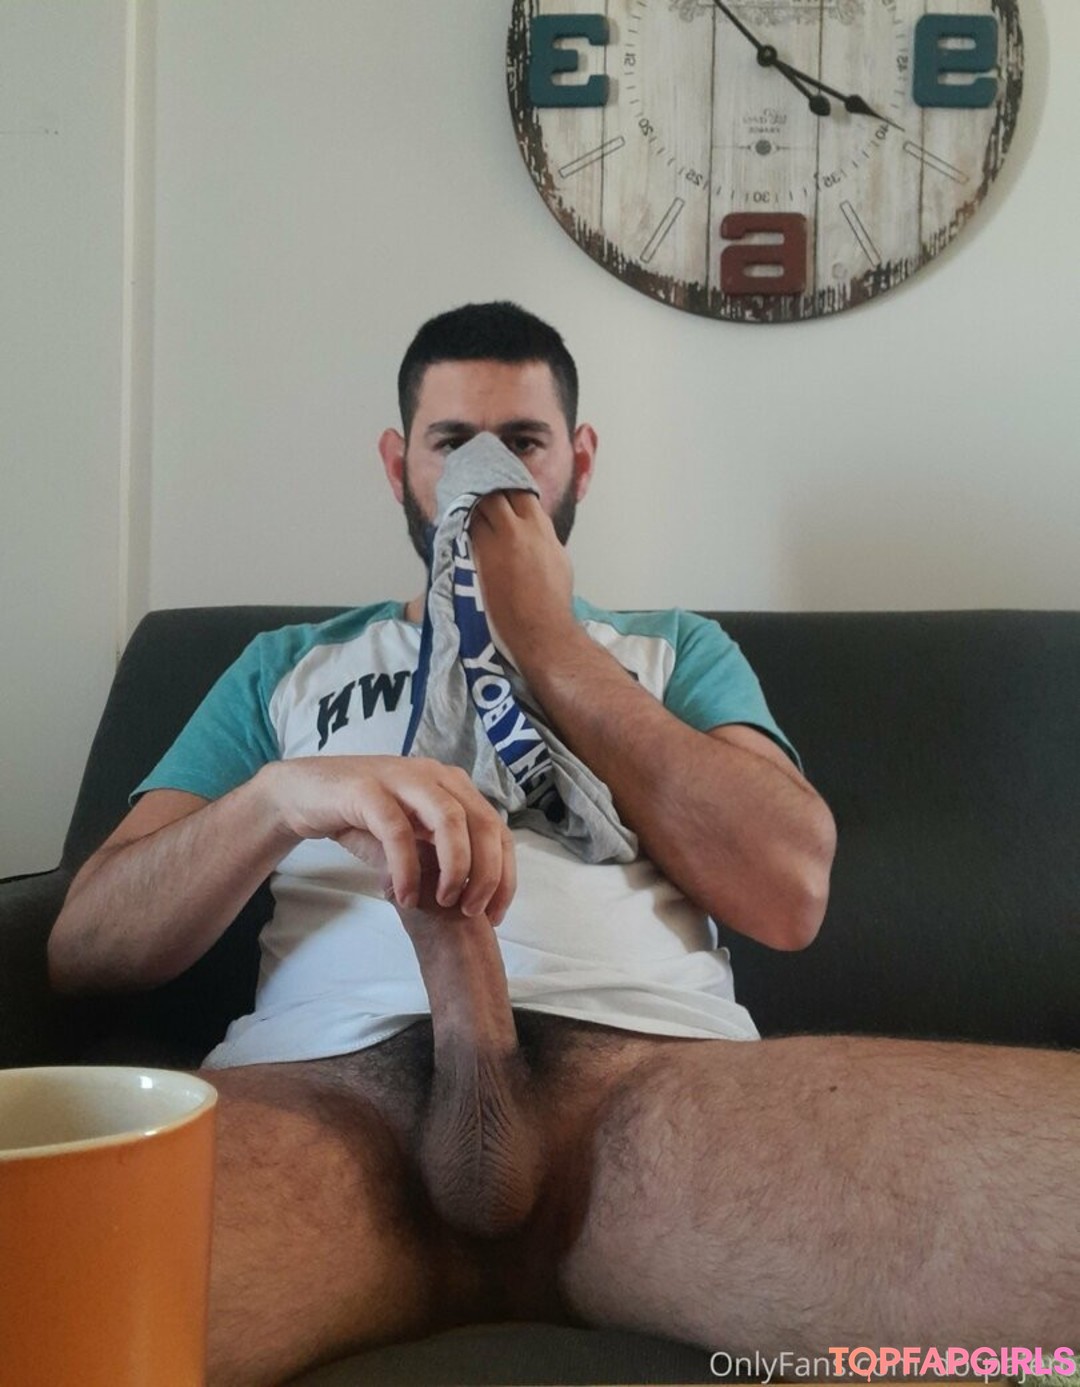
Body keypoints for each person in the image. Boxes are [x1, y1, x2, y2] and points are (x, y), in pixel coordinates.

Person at [48, 303, 1077, 1387]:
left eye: (522, 443)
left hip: (653, 1100)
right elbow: (87, 944)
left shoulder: (673, 652)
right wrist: (279, 800)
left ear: (578, 461)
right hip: (331, 1106)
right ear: (398, 464)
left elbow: (788, 890)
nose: (484, 475)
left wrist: (550, 643)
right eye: (453, 442)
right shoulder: (285, 667)